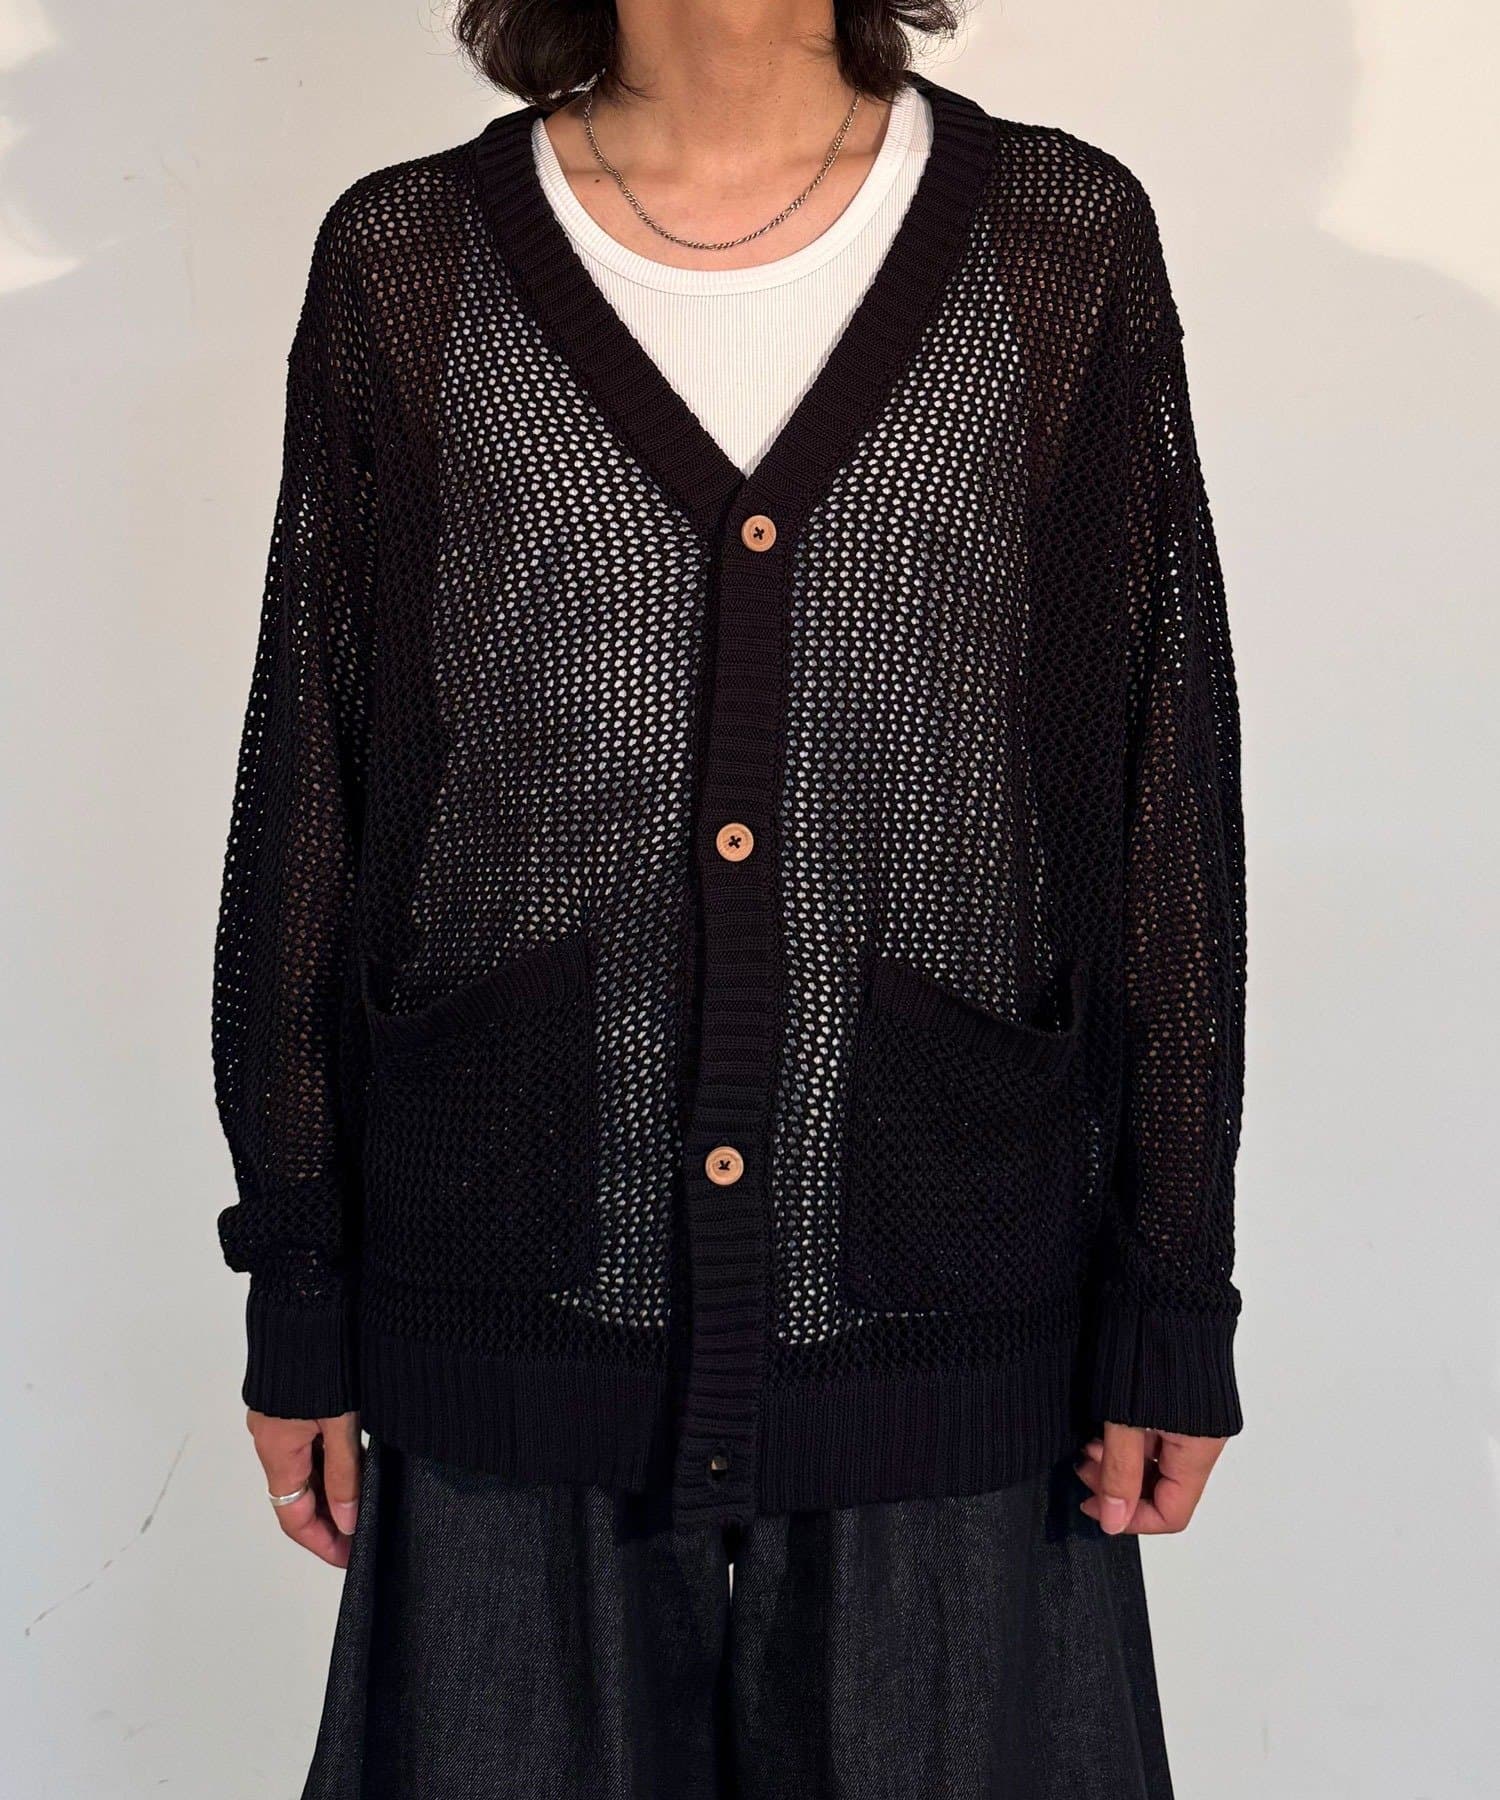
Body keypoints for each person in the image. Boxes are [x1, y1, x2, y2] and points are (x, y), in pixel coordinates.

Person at [210, 0, 1248, 1792]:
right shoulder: (412, 256)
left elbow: (1147, 793)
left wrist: (1175, 1287)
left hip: (937, 1278)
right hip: (518, 1274)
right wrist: (298, 1278)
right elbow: (322, 786)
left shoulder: (1057, 237)